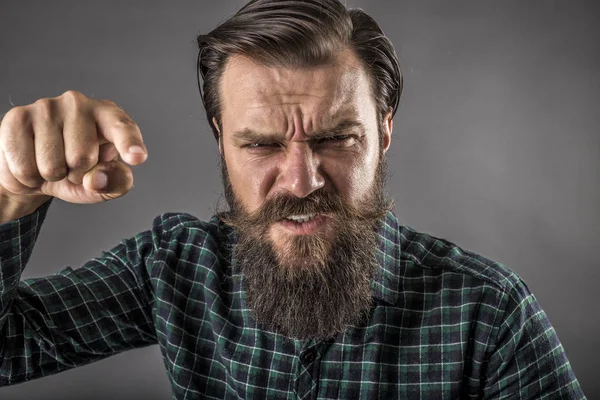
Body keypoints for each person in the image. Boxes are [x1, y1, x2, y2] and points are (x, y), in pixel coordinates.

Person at [0, 0, 585, 398]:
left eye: (336, 138)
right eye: (260, 144)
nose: (301, 181)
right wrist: (10, 197)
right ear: (219, 137)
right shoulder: (173, 267)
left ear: (383, 132)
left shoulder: (491, 314)